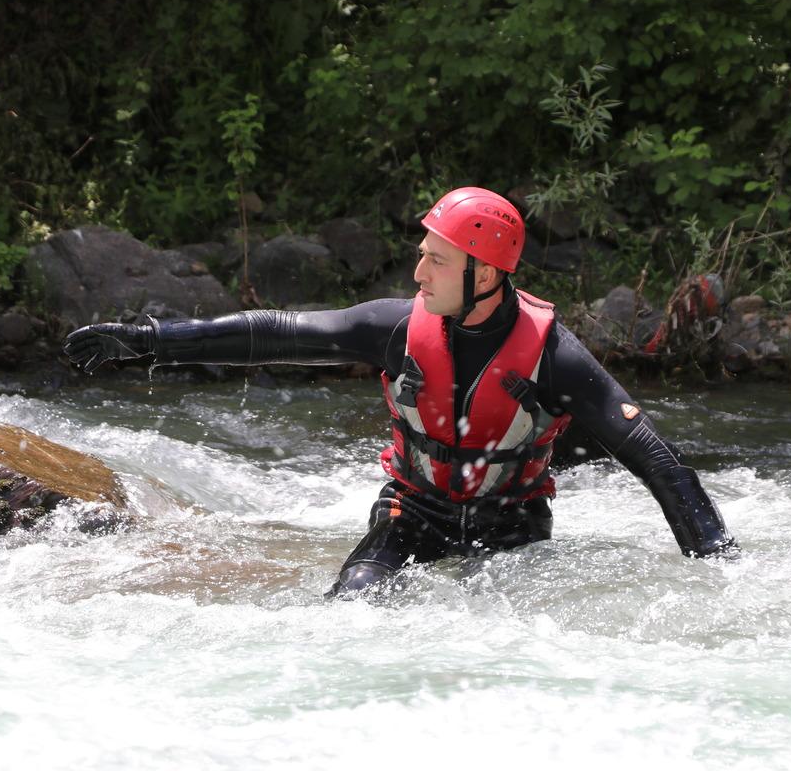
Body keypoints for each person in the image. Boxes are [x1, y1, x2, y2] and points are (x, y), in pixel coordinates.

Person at [64, 187, 737, 595]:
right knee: (352, 604)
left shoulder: (555, 357)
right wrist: (152, 340)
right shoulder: (394, 327)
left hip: (512, 525)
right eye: (422, 253)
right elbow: (275, 332)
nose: (418, 271)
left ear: (486, 275)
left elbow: (658, 463)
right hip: (412, 513)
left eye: (436, 260)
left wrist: (722, 573)